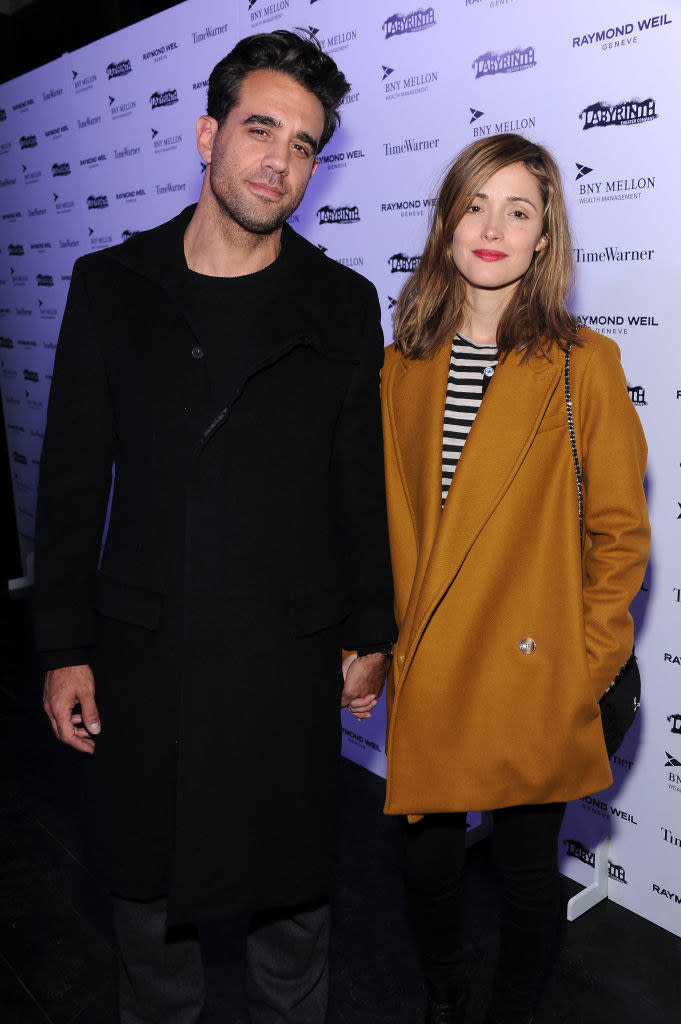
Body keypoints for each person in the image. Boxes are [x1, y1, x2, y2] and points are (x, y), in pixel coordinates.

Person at [34, 30, 395, 1024]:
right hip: (148, 650)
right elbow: (71, 482)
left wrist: (373, 630)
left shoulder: (341, 301)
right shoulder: (112, 287)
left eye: (306, 144)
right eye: (260, 129)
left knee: (294, 919)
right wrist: (63, 646)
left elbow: (360, 483)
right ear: (208, 133)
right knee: (148, 921)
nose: (280, 162)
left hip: (289, 652)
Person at [380, 134, 650, 1024]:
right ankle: (444, 990)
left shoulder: (583, 362)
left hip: (533, 669)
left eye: (518, 210)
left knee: (530, 871)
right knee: (426, 861)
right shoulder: (402, 360)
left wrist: (586, 661)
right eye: (474, 205)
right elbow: (387, 519)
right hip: (432, 660)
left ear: (544, 239)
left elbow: (618, 533)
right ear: (447, 222)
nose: (492, 227)